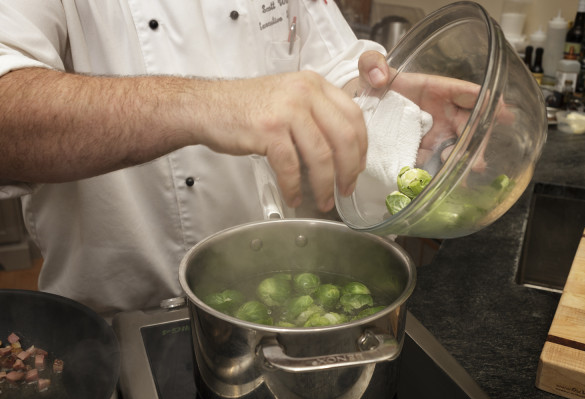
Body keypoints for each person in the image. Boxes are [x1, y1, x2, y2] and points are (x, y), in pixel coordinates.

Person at [0, 1, 394, 316]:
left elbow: (333, 64)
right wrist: (208, 104)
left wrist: (384, 104)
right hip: (118, 326)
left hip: (275, 307)